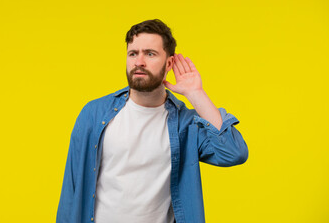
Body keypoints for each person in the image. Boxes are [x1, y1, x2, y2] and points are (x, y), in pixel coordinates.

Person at [56, 19, 249, 223]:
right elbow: (72, 189)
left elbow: (233, 153)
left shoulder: (187, 124)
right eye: (133, 53)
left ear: (169, 63)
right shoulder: (94, 114)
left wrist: (196, 93)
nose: (139, 62)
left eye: (150, 53)